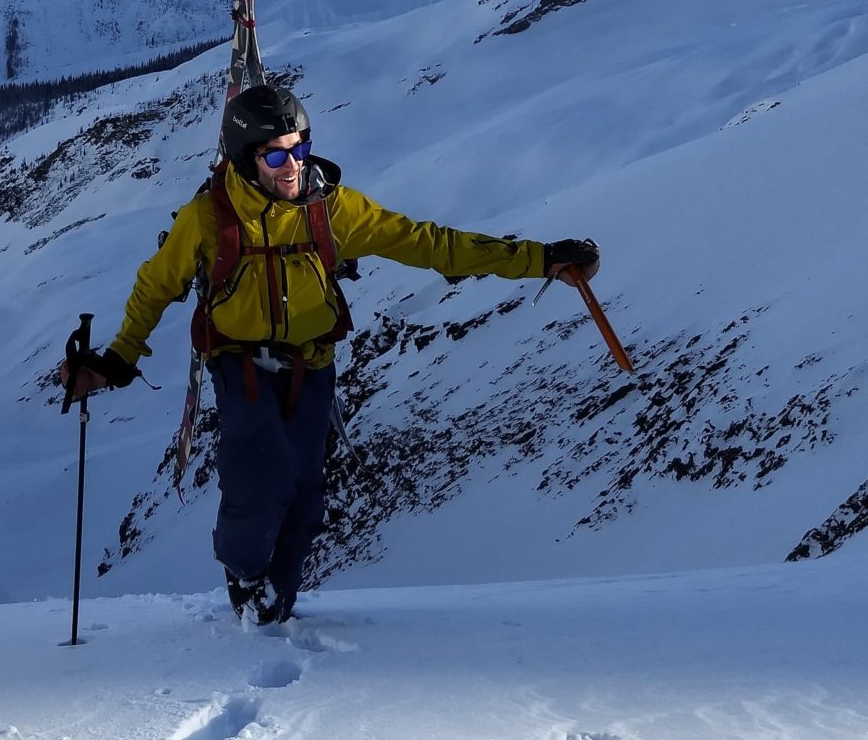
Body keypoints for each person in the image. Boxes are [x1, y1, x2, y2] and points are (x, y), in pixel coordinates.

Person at [61, 84, 599, 625]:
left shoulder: (332, 210)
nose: (292, 164)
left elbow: (430, 243)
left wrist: (540, 259)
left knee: (306, 495)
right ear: (246, 159)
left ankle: (276, 603)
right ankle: (245, 571)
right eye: (276, 154)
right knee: (259, 476)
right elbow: (156, 285)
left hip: (310, 365)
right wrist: (119, 360)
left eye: (299, 149)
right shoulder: (207, 219)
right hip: (239, 364)